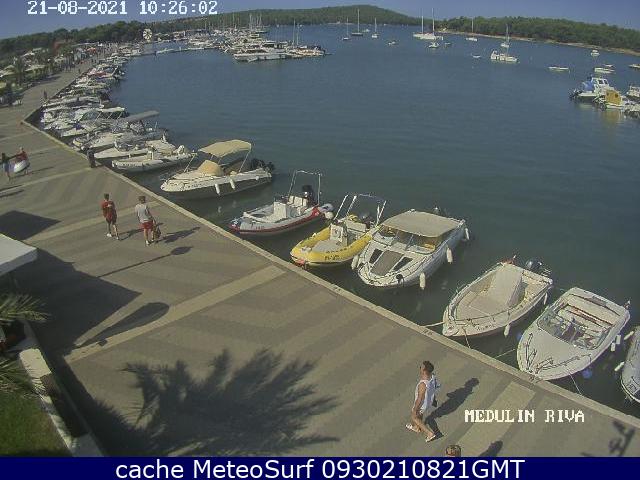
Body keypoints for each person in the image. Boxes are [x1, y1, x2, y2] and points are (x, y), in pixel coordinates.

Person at [406, 360, 439, 443]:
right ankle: (416, 427)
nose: (420, 367)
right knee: (420, 414)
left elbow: (420, 399)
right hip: (429, 401)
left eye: (421, 367)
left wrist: (415, 409)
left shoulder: (422, 384)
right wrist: (434, 399)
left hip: (423, 404)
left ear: (424, 371)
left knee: (414, 417)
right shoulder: (433, 377)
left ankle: (430, 433)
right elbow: (435, 387)